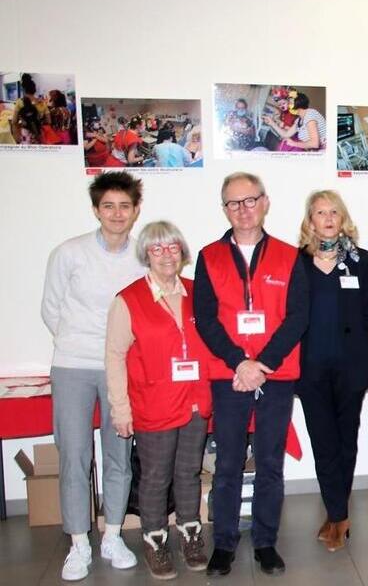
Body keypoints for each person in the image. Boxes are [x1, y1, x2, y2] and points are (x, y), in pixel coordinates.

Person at [193, 172, 309, 577]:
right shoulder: (208, 257)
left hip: (274, 374)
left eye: (249, 200)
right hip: (229, 374)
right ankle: (223, 544)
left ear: (265, 202)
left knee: (270, 462)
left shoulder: (290, 256)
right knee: (226, 462)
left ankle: (265, 542)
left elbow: (297, 317)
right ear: (224, 209)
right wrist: (239, 363)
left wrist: (263, 365)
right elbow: (204, 319)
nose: (242, 210)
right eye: (233, 203)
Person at [41, 171, 146, 581]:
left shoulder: (142, 256)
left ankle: (113, 536)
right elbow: (51, 309)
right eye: (109, 206)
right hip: (72, 365)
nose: (117, 213)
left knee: (118, 456)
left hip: (121, 369)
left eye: (125, 206)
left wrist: (115, 354)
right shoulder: (69, 253)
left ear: (136, 211)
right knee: (75, 456)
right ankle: (79, 544)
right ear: (96, 210)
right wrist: (83, 344)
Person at [105, 221, 212, 579]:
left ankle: (190, 536)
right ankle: (155, 541)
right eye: (157, 248)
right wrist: (120, 409)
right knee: (155, 477)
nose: (166, 255)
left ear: (182, 252)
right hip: (153, 404)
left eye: (172, 247)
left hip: (195, 400)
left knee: (188, 473)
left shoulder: (199, 292)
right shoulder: (129, 299)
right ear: (146, 254)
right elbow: (114, 357)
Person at [295, 190, 368, 552]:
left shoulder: (359, 260)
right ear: (310, 221)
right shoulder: (295, 262)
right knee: (323, 443)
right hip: (310, 369)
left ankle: (337, 515)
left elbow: (366, 313)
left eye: (334, 213)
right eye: (320, 213)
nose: (327, 219)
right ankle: (338, 512)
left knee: (346, 441)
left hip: (350, 368)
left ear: (343, 219)